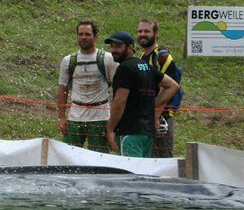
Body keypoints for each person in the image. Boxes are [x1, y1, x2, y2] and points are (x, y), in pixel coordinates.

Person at [104, 31, 180, 158]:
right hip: (147, 133)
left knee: (129, 174)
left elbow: (119, 102)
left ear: (130, 48)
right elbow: (173, 86)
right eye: (112, 46)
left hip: (129, 132)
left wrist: (110, 129)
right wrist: (152, 105)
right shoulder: (146, 66)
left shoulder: (125, 69)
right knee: (143, 174)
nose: (114, 50)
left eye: (118, 46)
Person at [56, 20, 118, 152]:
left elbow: (118, 89)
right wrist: (62, 117)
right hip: (75, 116)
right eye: (80, 34)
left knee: (99, 158)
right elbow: (62, 89)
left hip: (100, 117)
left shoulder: (107, 59)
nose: (83, 37)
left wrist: (113, 119)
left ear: (95, 37)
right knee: (69, 156)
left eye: (87, 34)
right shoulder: (68, 61)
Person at [137, 18, 183, 158]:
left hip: (161, 119)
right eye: (140, 31)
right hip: (148, 117)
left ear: (156, 33)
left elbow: (167, 89)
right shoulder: (143, 56)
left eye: (147, 31)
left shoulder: (162, 56)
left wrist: (155, 117)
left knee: (162, 159)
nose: (142, 34)